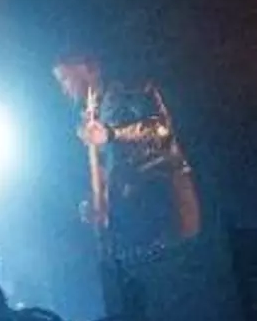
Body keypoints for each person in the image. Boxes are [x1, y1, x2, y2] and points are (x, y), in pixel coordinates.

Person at [52, 53, 201, 256]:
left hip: (162, 196)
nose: (64, 88)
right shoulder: (88, 118)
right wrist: (97, 201)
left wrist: (112, 134)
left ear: (88, 68)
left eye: (65, 78)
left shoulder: (128, 91)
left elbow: (161, 127)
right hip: (131, 213)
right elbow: (107, 167)